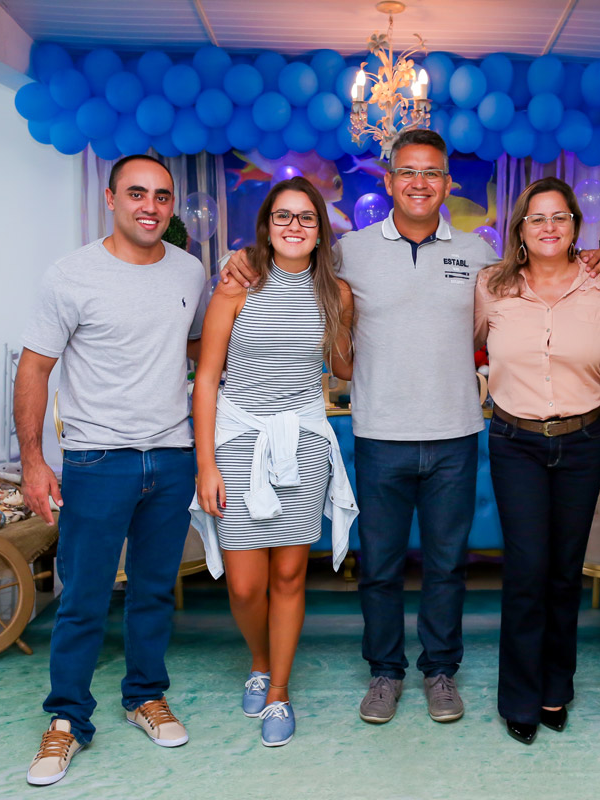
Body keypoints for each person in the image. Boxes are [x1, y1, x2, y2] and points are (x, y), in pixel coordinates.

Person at [218, 130, 600, 725]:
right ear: (389, 181)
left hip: (455, 433)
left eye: (432, 172)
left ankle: (440, 671)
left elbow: (534, 286)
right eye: (408, 171)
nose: (419, 182)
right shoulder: (349, 251)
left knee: (447, 566)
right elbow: (292, 261)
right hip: (379, 433)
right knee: (379, 567)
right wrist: (246, 258)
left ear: (447, 183)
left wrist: (596, 257)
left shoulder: (480, 257)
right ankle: (385, 672)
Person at [16, 154, 207, 786]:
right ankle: (67, 719)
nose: (150, 206)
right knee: (83, 598)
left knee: (153, 592)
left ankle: (145, 696)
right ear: (111, 198)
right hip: (97, 459)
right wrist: (34, 462)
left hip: (172, 456)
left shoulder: (189, 269)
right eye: (137, 194)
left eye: (161, 196)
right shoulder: (71, 275)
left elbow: (196, 346)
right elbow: (35, 368)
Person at [190, 177, 357, 747]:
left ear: (320, 231)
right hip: (239, 440)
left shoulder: (336, 294)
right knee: (243, 586)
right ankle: (259, 660)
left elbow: (342, 367)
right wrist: (206, 464)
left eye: (306, 217)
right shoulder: (237, 286)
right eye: (283, 216)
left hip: (304, 442)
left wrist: (353, 320)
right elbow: (206, 380)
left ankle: (279, 691)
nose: (294, 226)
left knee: (289, 575)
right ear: (266, 226)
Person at [475, 177, 600, 745]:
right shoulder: (491, 286)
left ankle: (554, 687)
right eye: (536, 217)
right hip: (514, 442)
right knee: (526, 570)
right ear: (520, 228)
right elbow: (464, 345)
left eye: (559, 217)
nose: (548, 227)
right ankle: (519, 695)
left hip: (582, 442)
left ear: (574, 226)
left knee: (564, 570)